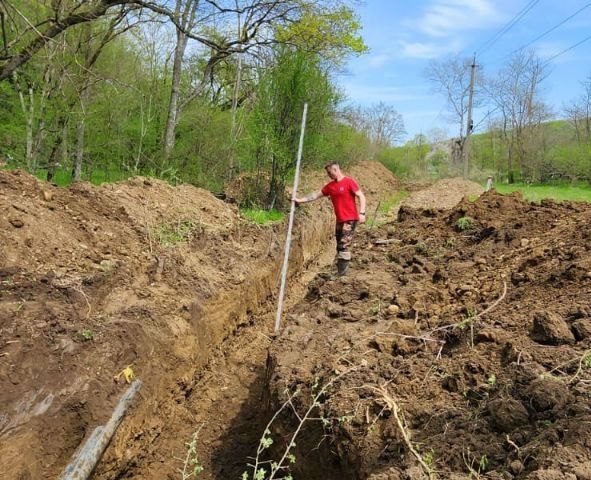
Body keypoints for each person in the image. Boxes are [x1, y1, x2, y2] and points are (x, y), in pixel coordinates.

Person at [294, 162, 366, 277]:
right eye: (327, 173)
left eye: (329, 172)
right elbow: (316, 195)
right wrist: (300, 200)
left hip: (350, 219)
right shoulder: (331, 186)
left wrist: (362, 213)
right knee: (339, 245)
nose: (328, 175)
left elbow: (361, 196)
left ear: (336, 169)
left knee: (344, 245)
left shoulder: (349, 182)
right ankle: (340, 272)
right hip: (340, 220)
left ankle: (342, 275)